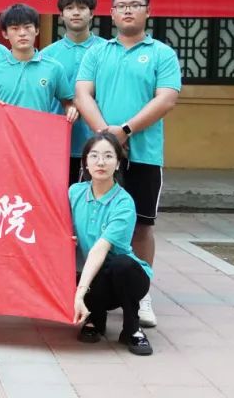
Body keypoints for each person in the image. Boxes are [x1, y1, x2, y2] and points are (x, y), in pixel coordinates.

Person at [75, 0, 181, 329]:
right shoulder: (97, 52)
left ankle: (142, 295)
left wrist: (126, 131)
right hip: (100, 156)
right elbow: (82, 94)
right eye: (121, 6)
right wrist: (106, 136)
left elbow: (166, 99)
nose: (128, 11)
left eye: (135, 5)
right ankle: (90, 292)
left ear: (148, 11)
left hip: (144, 155)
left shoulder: (162, 53)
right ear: (111, 13)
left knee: (141, 225)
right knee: (91, 221)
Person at [70, 131, 153, 356]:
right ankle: (95, 319)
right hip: (92, 278)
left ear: (117, 163)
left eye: (108, 156)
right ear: (85, 162)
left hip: (126, 279)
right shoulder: (74, 193)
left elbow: (100, 249)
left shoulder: (124, 203)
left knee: (120, 264)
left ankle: (132, 328)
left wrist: (78, 293)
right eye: (94, 156)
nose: (101, 162)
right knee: (82, 271)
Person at [41, 0, 107, 187]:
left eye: (82, 7)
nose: (76, 13)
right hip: (56, 143)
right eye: (69, 8)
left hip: (99, 143)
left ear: (92, 13)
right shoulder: (46, 55)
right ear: (61, 15)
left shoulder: (108, 51)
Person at [0, 3, 78, 120]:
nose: (22, 33)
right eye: (15, 28)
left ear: (37, 30)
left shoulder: (54, 68)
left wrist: (71, 109)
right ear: (5, 33)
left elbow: (67, 102)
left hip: (39, 130)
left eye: (27, 27)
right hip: (3, 131)